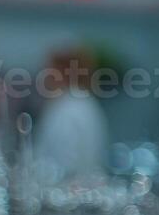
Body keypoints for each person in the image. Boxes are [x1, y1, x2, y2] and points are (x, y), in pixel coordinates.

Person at [33, 45, 109, 180]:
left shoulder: (68, 110)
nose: (43, 76)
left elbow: (64, 164)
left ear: (62, 71)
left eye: (48, 68)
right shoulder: (84, 103)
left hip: (64, 187)